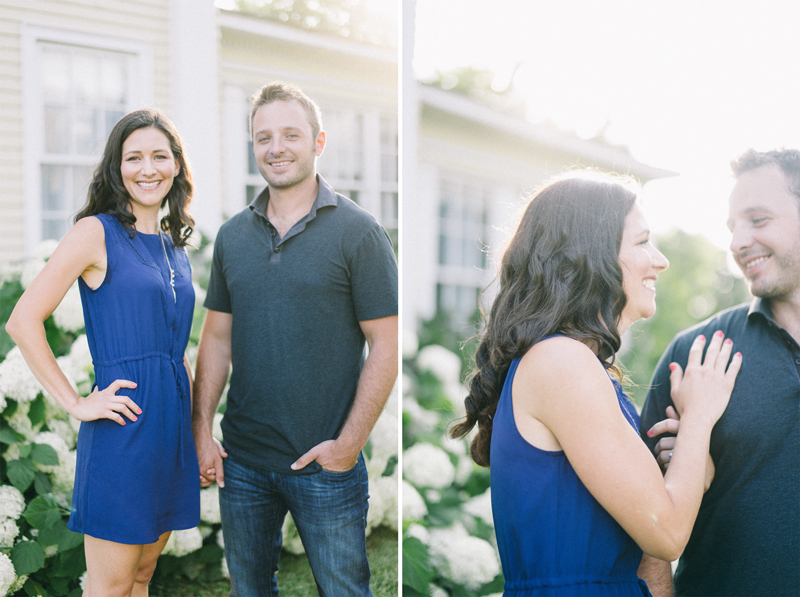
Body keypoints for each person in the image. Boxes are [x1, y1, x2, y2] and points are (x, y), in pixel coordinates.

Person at [450, 172, 742, 596]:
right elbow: (668, 533)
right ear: (592, 254)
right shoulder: (561, 362)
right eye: (642, 242)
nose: (659, 260)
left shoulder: (574, 363)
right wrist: (698, 415)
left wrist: (687, 466)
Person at [191, 82, 398, 596]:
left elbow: (387, 346)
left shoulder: (359, 232)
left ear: (318, 142)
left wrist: (349, 445)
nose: (276, 147)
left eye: (290, 135)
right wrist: (202, 430)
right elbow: (215, 340)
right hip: (242, 463)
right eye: (263, 137)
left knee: (345, 591)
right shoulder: (233, 236)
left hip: (326, 464)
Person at [6, 109, 200, 597]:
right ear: (117, 167)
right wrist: (75, 402)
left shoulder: (175, 246)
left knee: (142, 577)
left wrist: (199, 432)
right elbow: (23, 320)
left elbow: (178, 349)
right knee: (110, 587)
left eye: (160, 155)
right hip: (124, 429)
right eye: (133, 157)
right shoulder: (96, 232)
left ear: (176, 165)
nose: (147, 168)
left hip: (171, 431)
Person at [639, 148, 800, 597]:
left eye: (758, 220)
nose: (737, 242)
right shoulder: (695, 353)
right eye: (732, 228)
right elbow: (643, 528)